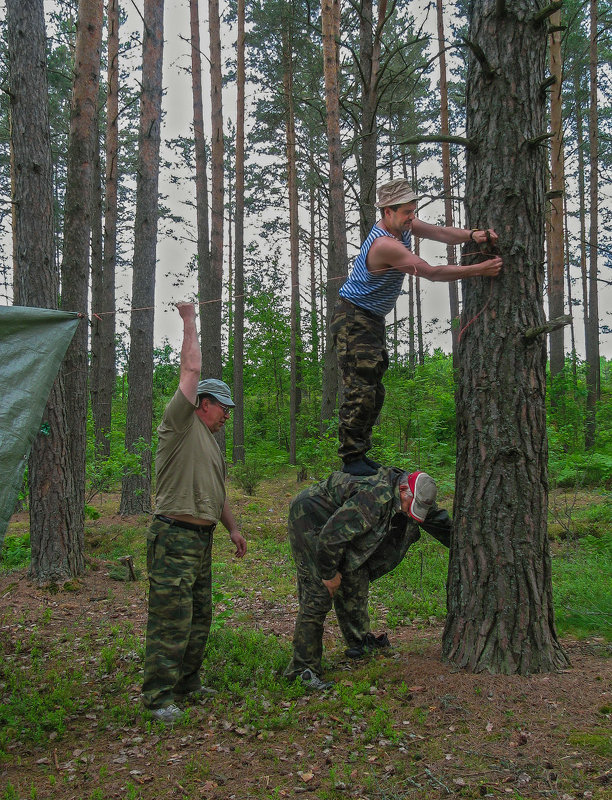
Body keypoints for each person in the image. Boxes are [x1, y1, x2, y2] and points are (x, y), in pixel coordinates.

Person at [331, 178, 503, 476]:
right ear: (387, 211)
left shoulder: (403, 225)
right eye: (407, 212)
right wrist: (479, 269)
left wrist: (472, 235)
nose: (412, 217)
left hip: (369, 319)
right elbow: (430, 272)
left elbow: (439, 232)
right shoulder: (385, 244)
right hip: (353, 318)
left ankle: (359, 452)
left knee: (375, 390)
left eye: (414, 210)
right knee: (361, 389)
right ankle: (351, 459)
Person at [142, 302, 247, 724]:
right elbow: (189, 370)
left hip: (201, 541)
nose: (227, 416)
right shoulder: (180, 424)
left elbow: (217, 493)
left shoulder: (212, 444)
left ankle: (187, 684)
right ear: (202, 403)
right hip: (173, 536)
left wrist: (233, 530)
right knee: (171, 619)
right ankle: (156, 698)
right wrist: (189, 319)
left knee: (199, 615)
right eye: (224, 408)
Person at [283, 467, 452, 690]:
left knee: (355, 574)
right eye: (410, 506)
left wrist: (468, 545)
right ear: (403, 490)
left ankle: (359, 642)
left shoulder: (413, 493)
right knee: (319, 593)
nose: (412, 513)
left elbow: (438, 522)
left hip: (338, 525)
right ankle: (301, 671)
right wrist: (329, 574)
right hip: (311, 516)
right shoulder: (374, 498)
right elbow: (330, 539)